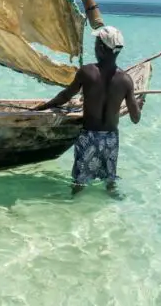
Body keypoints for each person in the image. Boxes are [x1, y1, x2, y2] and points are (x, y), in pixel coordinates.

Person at [34, 25, 143, 194]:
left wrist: (44, 106)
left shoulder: (87, 72)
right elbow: (136, 119)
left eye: (96, 42)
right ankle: (113, 205)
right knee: (109, 181)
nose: (94, 46)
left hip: (89, 136)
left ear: (100, 48)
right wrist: (137, 105)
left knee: (79, 183)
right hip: (111, 139)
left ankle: (74, 207)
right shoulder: (126, 81)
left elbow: (65, 96)